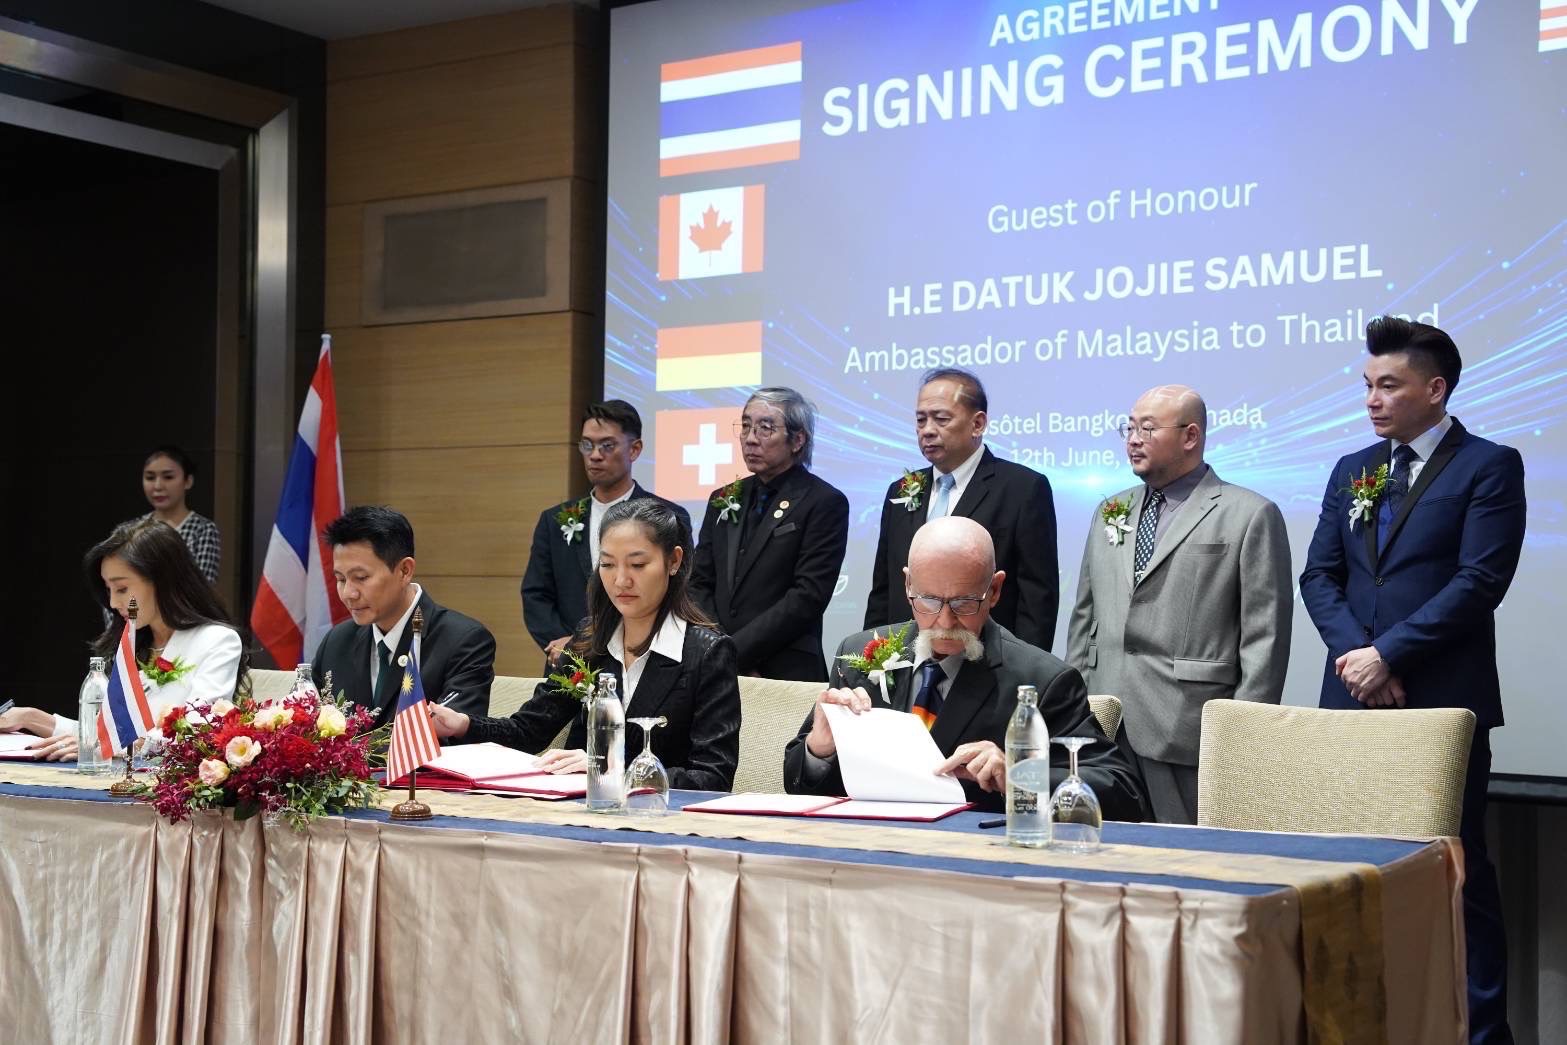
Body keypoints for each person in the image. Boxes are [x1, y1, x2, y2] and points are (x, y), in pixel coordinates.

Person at [1300, 316, 1525, 1045]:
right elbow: (1319, 575)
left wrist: (1390, 654)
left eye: (1388, 385)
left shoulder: (1488, 465)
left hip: (1439, 701)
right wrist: (1358, 659)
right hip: (1352, 696)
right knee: (1347, 869)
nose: (1372, 399)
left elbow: (1479, 580)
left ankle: (1479, 1032)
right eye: (1367, 385)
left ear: (1435, 389)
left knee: (1453, 868)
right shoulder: (1352, 468)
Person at [783, 516, 1143, 818]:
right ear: (907, 584)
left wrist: (1018, 776)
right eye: (928, 600)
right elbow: (799, 783)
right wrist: (819, 750)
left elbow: (1122, 791)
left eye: (964, 603)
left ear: (995, 590)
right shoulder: (857, 654)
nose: (944, 621)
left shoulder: (1043, 680)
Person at [1066, 384, 1292, 824]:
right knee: (1101, 846)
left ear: (1191, 436)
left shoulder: (1249, 514)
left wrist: (1243, 734)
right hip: (1105, 722)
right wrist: (1075, 708)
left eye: (1148, 429)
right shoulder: (1110, 509)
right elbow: (1084, 617)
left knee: (1187, 852)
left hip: (1189, 725)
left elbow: (1264, 636)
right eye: (1129, 428)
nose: (1133, 440)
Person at [433, 498, 741, 792]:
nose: (620, 580)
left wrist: (609, 769)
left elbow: (713, 777)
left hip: (658, 817)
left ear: (673, 561)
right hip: (577, 809)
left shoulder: (707, 653)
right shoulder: (590, 638)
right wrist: (462, 724)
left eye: (637, 564)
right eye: (607, 564)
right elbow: (529, 730)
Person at [0, 520, 245, 760]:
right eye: (108, 590)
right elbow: (103, 735)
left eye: (122, 589)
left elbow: (195, 735)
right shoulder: (131, 643)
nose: (113, 603)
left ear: (162, 580)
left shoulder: (217, 641)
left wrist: (114, 744)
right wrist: (30, 718)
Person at [863, 368, 1059, 651]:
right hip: (906, 658)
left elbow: (1037, 598)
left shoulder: (1023, 489)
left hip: (986, 659)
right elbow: (884, 590)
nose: (927, 430)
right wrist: (876, 659)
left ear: (977, 424)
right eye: (921, 420)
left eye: (941, 419)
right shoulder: (901, 490)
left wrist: (1028, 667)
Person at [690, 388, 849, 681]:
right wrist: (717, 649)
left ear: (797, 440)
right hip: (714, 668)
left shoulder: (824, 501)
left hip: (784, 670)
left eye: (765, 428)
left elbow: (807, 597)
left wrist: (736, 653)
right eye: (746, 425)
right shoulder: (723, 497)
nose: (750, 438)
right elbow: (699, 583)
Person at [521, 400, 691, 664]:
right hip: (570, 661)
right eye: (587, 445)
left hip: (642, 656)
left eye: (607, 445)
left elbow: (682, 591)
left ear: (634, 449)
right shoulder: (554, 520)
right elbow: (536, 594)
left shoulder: (668, 516)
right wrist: (572, 644)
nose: (595, 455)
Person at [311, 506, 495, 729]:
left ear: (405, 571)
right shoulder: (337, 641)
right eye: (341, 579)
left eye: (361, 577)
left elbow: (451, 735)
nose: (349, 593)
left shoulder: (464, 641)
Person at [122, 445, 221, 585]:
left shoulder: (202, 530)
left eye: (168, 477)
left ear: (188, 481)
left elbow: (202, 588)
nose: (157, 486)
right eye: (150, 477)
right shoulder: (131, 530)